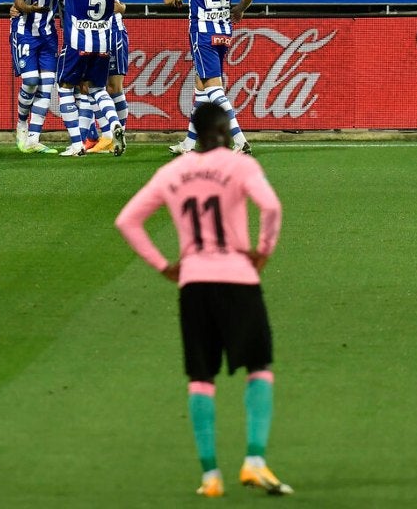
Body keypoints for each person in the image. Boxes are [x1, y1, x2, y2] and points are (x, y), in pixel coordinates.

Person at [115, 102, 292, 498]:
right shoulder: (240, 166)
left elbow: (127, 220)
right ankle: (255, 462)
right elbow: (271, 207)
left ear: (195, 131)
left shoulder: (171, 172)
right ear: (225, 131)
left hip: (193, 284)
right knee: (259, 366)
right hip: (238, 279)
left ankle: (210, 476)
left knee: (201, 378)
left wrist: (164, 265)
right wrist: (263, 250)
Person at [8, 0, 141, 157]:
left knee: (65, 88)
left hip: (78, 42)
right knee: (98, 89)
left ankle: (77, 143)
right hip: (103, 42)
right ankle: (113, 126)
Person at [163, 0, 253, 156]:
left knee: (214, 89)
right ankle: (189, 143)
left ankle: (240, 140)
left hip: (203, 32)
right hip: (224, 31)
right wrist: (239, 11)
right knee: (201, 88)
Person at [8, 0, 60, 154]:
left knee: (47, 87)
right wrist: (31, 9)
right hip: (25, 31)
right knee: (30, 82)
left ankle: (33, 138)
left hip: (48, 33)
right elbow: (18, 2)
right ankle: (21, 124)